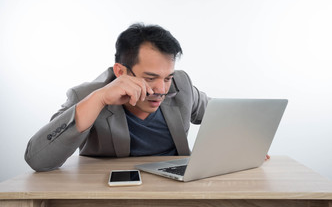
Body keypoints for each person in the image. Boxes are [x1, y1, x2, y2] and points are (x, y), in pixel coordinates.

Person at [25, 23, 209, 171]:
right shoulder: (86, 97)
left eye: (167, 77)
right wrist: (99, 100)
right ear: (120, 71)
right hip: (111, 194)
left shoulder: (181, 84)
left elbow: (223, 116)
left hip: (176, 191)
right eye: (150, 78)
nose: (161, 89)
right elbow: (37, 159)